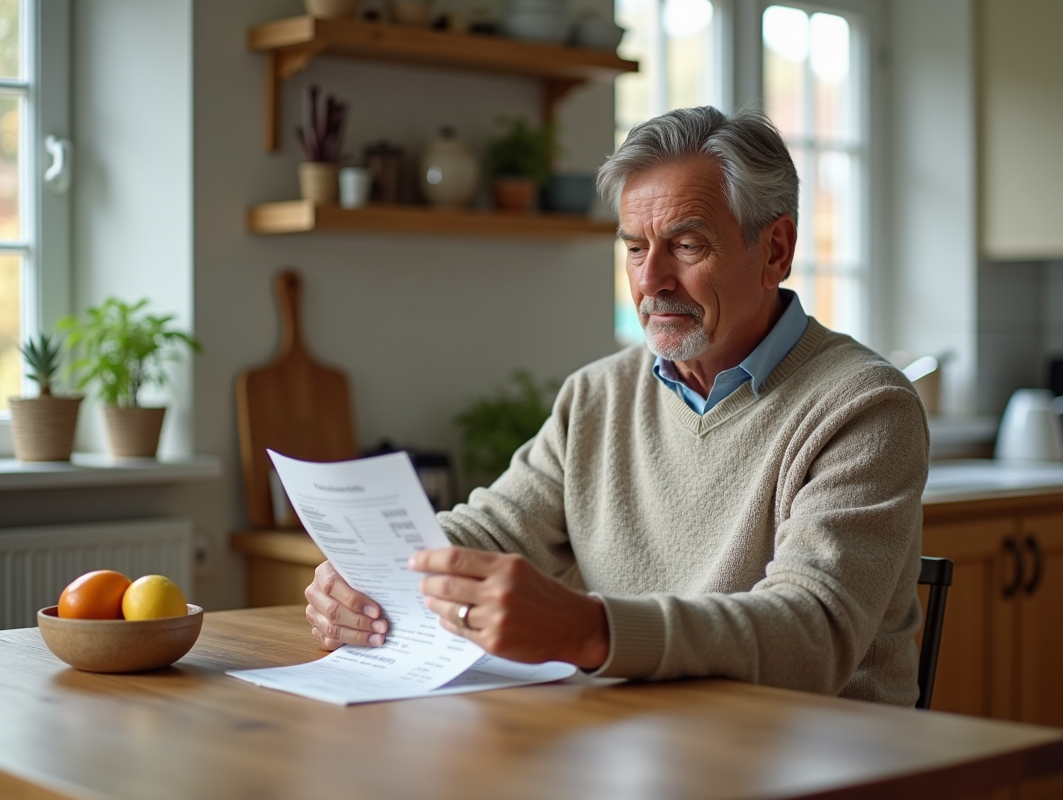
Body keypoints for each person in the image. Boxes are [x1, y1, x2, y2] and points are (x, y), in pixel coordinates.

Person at [304, 106, 930, 705]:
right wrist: (375, 573)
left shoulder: (866, 407)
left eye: (686, 246)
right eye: (635, 248)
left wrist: (590, 630)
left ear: (775, 251)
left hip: (826, 759)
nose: (650, 280)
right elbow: (494, 529)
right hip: (641, 743)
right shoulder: (596, 395)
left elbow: (809, 636)